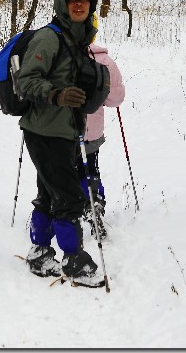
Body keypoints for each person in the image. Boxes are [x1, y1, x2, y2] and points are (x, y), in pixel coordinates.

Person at [16, 0, 104, 287]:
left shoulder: (77, 40)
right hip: (44, 130)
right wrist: (57, 95)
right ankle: (74, 259)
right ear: (61, 5)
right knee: (68, 196)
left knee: (48, 193)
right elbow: (25, 81)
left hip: (63, 131)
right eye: (72, 0)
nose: (79, 4)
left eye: (84, 0)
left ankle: (40, 253)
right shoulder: (49, 38)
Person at [78, 39, 125, 240]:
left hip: (66, 129)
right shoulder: (105, 61)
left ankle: (71, 207)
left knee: (69, 168)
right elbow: (116, 99)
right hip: (92, 131)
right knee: (91, 169)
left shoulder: (62, 55)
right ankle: (94, 202)